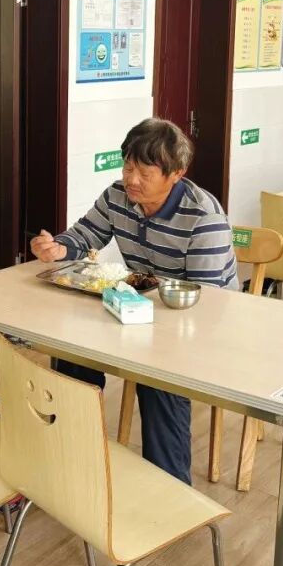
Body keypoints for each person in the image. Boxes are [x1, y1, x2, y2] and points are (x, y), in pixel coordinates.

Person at [30, 118, 237, 484]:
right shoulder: (117, 196)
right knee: (73, 353)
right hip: (140, 311)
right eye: (128, 167)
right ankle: (71, 458)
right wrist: (57, 247)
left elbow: (206, 300)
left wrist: (149, 326)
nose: (132, 180)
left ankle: (170, 489)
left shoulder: (204, 216)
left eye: (145, 172)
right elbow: (85, 235)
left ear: (176, 173)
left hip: (201, 324)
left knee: (158, 378)